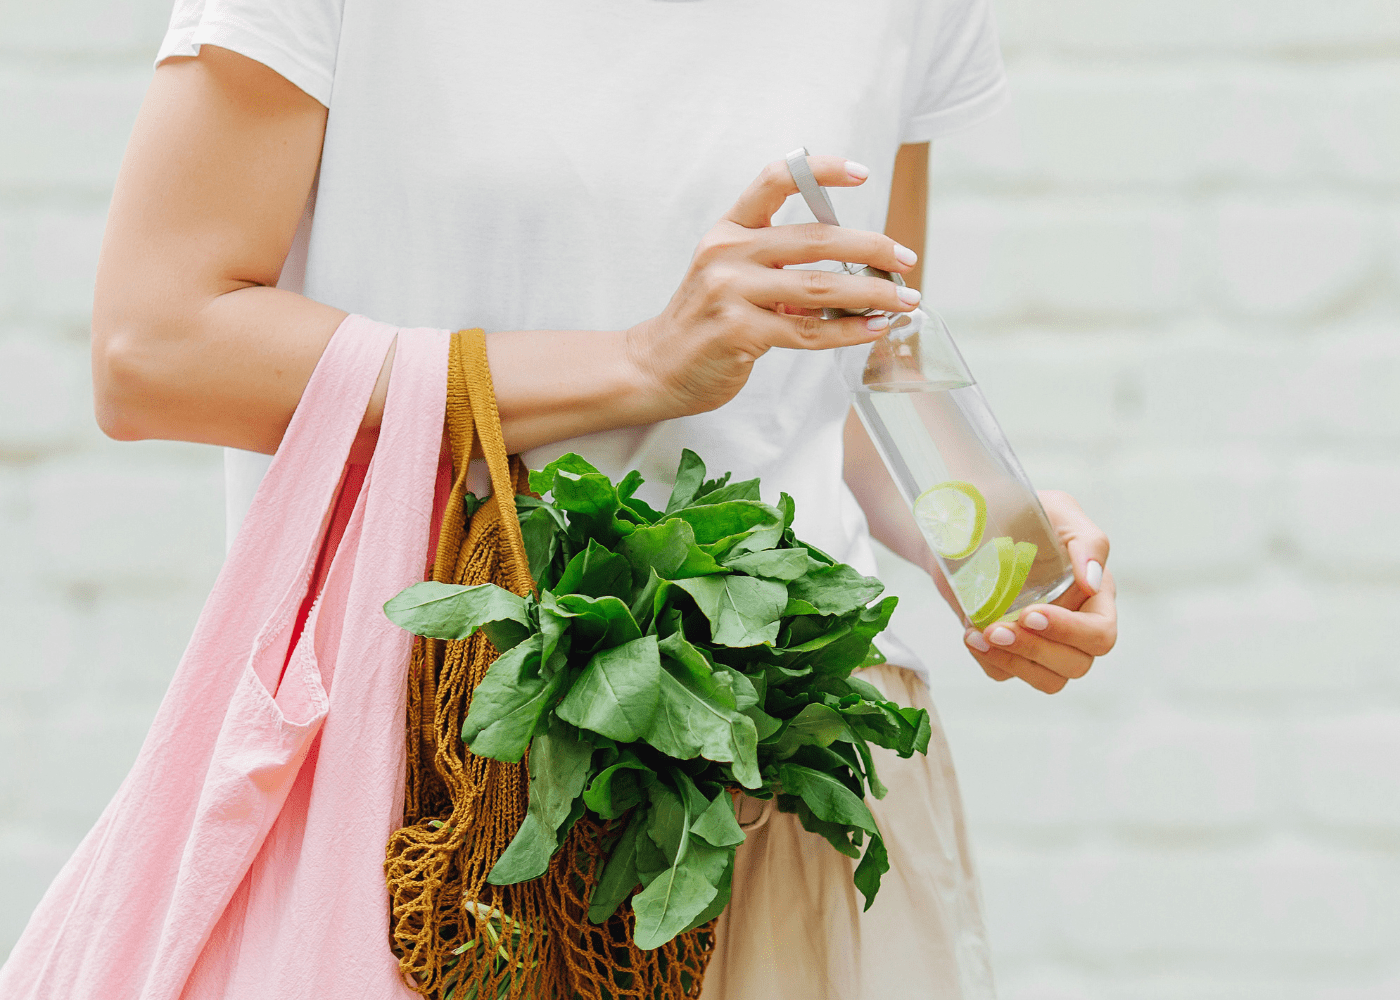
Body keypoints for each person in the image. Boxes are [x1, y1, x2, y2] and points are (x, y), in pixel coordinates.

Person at [91, 2, 1118, 996]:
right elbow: (156, 346)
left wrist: (1001, 541)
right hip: (447, 785)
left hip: (781, 771)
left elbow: (842, 377)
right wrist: (637, 364)